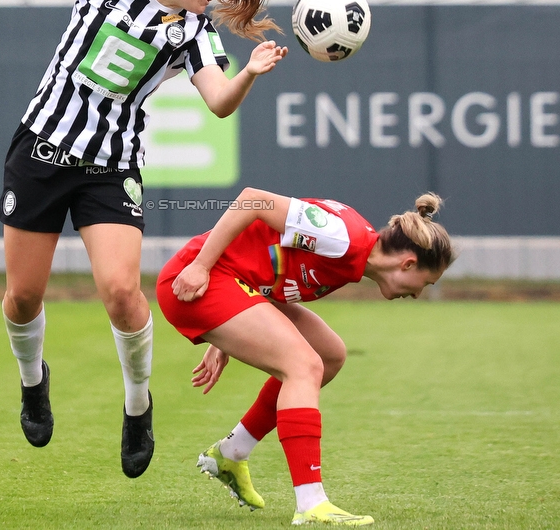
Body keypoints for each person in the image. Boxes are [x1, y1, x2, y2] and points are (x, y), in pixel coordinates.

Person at [0, 0, 288, 479]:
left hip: (112, 168)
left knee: (122, 292)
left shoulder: (195, 31)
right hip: (41, 153)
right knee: (23, 298)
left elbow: (219, 101)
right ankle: (32, 383)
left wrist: (249, 73)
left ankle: (138, 406)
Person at [156, 187, 454, 525]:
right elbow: (253, 201)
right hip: (195, 281)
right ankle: (311, 502)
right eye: (424, 284)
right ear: (408, 262)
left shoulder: (354, 256)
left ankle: (232, 452)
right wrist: (200, 267)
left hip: (233, 284)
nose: (417, 294)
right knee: (304, 365)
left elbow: (268, 259)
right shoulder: (343, 238)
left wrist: (226, 336)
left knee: (329, 355)